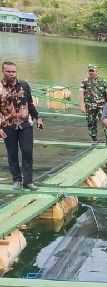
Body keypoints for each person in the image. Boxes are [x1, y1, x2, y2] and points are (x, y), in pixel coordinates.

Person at [1, 61, 43, 190]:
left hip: (25, 124)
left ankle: (28, 181)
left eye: (14, 71)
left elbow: (30, 103)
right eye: (9, 71)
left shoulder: (24, 85)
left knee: (27, 151)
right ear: (3, 71)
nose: (12, 74)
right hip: (8, 125)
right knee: (12, 154)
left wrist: (38, 118)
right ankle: (17, 180)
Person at [79, 64, 107, 143]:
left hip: (101, 106)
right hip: (89, 107)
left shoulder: (103, 81)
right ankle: (94, 138)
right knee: (91, 122)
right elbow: (81, 93)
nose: (91, 72)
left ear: (97, 71)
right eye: (90, 70)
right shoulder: (84, 81)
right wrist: (82, 105)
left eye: (92, 70)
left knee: (105, 121)